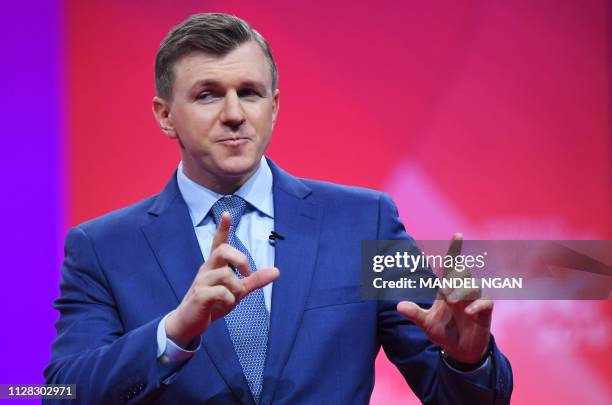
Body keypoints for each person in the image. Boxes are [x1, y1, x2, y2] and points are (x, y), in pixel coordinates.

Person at [45, 13, 513, 405]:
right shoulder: (102, 248)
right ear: (165, 115)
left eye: (249, 92)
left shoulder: (363, 222)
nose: (233, 113)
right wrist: (173, 332)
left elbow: (458, 394)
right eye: (208, 94)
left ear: (274, 107)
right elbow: (61, 392)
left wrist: (468, 360)